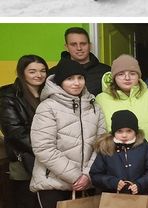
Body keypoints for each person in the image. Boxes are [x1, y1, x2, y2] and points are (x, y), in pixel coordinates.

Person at [29, 59, 106, 208]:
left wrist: (87, 175)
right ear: (60, 82)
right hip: (52, 185)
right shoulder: (48, 107)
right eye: (69, 79)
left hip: (86, 184)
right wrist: (76, 176)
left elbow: (101, 144)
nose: (76, 83)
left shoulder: (94, 106)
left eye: (80, 78)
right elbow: (43, 148)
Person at [96, 54, 148, 153]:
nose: (127, 78)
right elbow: (96, 134)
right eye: (121, 74)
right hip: (113, 163)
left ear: (139, 76)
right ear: (114, 77)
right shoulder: (101, 100)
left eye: (132, 73)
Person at [0, 55, 48, 208]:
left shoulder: (50, 94)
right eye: (32, 71)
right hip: (25, 159)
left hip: (50, 160)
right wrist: (45, 149)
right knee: (27, 200)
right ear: (22, 72)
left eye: (42, 71)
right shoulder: (8, 95)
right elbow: (14, 132)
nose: (38, 75)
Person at [90, 110, 148, 195]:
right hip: (112, 199)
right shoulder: (106, 147)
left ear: (135, 131)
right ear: (114, 132)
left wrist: (140, 184)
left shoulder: (144, 147)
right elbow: (95, 175)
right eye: (120, 131)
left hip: (139, 197)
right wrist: (113, 182)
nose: (124, 135)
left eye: (129, 131)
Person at [48, 27, 110, 96]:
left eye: (83, 44)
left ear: (90, 46)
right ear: (66, 47)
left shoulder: (106, 72)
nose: (79, 48)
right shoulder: (53, 74)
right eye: (73, 44)